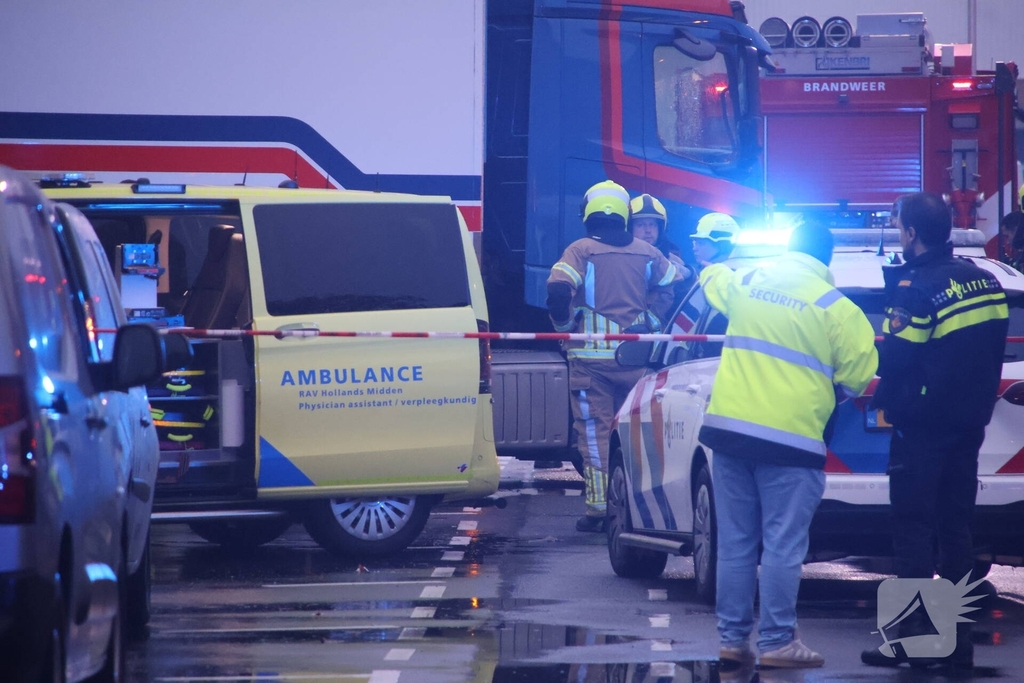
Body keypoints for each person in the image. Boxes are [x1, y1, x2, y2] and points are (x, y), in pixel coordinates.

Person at [697, 223, 878, 668]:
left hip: (730, 432)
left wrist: (719, 258)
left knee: (736, 543)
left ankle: (732, 641)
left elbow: (712, 278)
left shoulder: (748, 281)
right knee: (782, 545)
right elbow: (858, 377)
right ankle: (777, 641)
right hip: (792, 442)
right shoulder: (838, 309)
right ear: (826, 258)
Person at [862, 192, 1008, 671]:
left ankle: (914, 642)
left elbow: (896, 359)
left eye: (898, 226)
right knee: (956, 530)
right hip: (969, 425)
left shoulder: (916, 289)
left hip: (922, 429)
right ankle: (958, 644)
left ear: (911, 233)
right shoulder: (986, 281)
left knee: (913, 530)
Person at [547, 180, 681, 532]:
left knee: (595, 434)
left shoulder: (580, 250)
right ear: (625, 214)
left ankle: (600, 510)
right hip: (635, 360)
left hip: (590, 364)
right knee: (638, 434)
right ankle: (642, 509)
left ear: (587, 212)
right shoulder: (647, 252)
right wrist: (651, 321)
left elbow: (558, 290)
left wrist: (564, 326)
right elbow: (670, 285)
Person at [629, 193, 685, 323]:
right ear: (629, 228)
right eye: (641, 225)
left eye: (652, 225)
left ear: (660, 228)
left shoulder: (675, 261)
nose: (648, 230)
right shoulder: (621, 259)